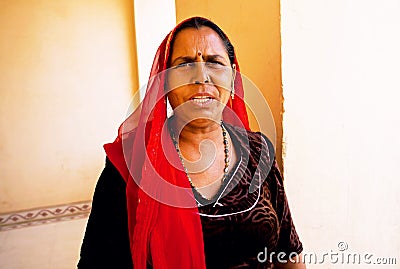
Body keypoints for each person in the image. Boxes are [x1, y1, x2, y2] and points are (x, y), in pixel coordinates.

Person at [78, 17, 305, 269]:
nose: (201, 77)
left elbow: (289, 252)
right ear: (164, 81)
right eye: (184, 64)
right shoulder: (131, 164)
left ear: (232, 76)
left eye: (214, 63)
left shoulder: (257, 151)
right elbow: (96, 263)